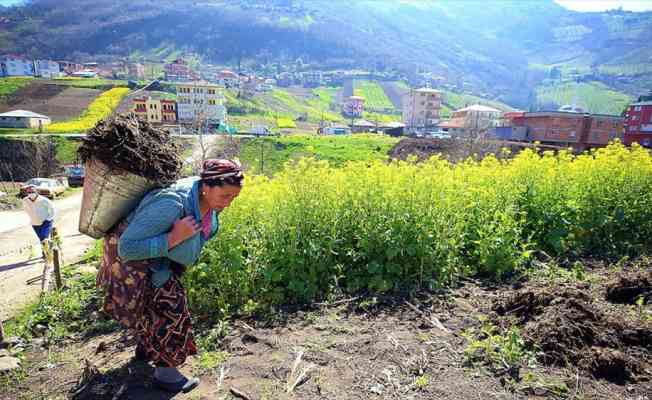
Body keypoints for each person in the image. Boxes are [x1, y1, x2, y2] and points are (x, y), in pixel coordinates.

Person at [97, 159, 244, 394]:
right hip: (134, 264)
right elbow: (128, 248)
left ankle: (145, 352)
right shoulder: (172, 203)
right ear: (206, 185)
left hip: (161, 261)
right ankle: (166, 374)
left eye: (234, 197)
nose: (229, 203)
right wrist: (173, 239)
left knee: (151, 309)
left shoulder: (205, 200)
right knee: (172, 309)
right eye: (226, 196)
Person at [22, 185, 56, 257]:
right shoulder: (25, 200)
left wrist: (49, 219)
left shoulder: (43, 200)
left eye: (32, 191)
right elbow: (26, 210)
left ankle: (47, 253)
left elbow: (52, 209)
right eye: (29, 192)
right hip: (34, 223)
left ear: (37, 192)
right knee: (41, 239)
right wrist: (32, 216)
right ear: (27, 193)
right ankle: (46, 251)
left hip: (46, 221)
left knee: (44, 238)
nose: (31, 193)